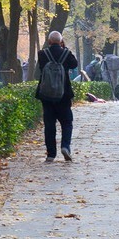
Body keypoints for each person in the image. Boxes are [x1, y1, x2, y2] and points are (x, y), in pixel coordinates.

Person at [38, 31, 78, 161]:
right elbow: (74, 64)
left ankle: (51, 154)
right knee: (67, 122)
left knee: (49, 124)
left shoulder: (42, 54)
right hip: (63, 94)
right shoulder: (66, 54)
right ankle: (65, 146)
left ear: (49, 42)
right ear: (61, 41)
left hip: (46, 94)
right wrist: (65, 49)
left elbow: (41, 68)